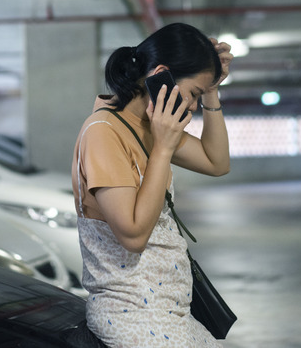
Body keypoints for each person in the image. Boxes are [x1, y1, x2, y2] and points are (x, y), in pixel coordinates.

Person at [71, 23, 233, 347]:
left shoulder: (147, 125)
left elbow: (217, 162)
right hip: (131, 315)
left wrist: (211, 90)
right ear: (161, 75)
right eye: (193, 94)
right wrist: (163, 148)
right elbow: (133, 235)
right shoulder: (103, 132)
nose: (190, 106)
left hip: (168, 312)